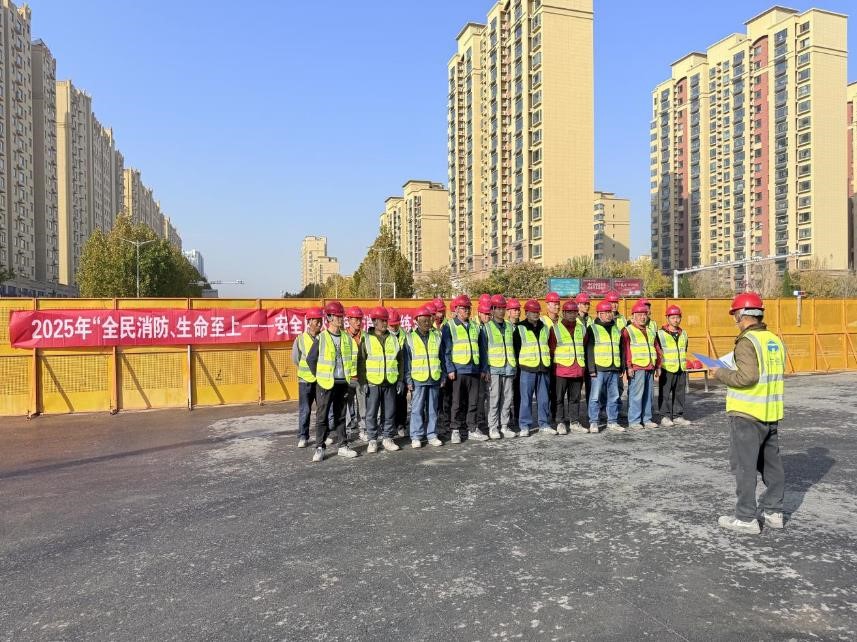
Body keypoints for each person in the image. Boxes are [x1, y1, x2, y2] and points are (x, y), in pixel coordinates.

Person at [710, 293, 786, 535]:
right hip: (770, 412)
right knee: (772, 465)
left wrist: (719, 373)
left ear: (742, 315)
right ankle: (774, 512)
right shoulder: (773, 339)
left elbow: (747, 377)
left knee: (745, 467)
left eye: (735, 314)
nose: (735, 319)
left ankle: (745, 518)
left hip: (747, 414)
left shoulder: (746, 341)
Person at [306, 300, 359, 462]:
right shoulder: (321, 337)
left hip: (342, 383)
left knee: (341, 416)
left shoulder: (347, 338)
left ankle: (343, 446)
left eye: (341, 316)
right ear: (329, 317)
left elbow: (352, 359)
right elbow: (311, 359)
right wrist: (320, 376)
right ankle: (320, 447)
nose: (341, 319)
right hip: (325, 383)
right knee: (322, 417)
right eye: (337, 316)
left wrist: (350, 377)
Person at [441, 295, 488, 443]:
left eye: (468, 308)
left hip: (474, 369)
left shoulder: (475, 326)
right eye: (463, 308)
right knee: (456, 402)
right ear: (456, 310)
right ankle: (455, 430)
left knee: (473, 402)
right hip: (458, 370)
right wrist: (450, 369)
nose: (466, 310)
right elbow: (446, 350)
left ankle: (472, 428)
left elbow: (482, 350)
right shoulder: (449, 326)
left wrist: (483, 368)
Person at [361, 307, 403, 453]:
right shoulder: (366, 339)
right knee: (371, 413)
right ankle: (372, 440)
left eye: (386, 320)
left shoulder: (393, 339)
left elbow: (400, 360)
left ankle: (387, 438)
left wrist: (400, 380)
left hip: (390, 382)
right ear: (374, 322)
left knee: (390, 412)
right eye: (382, 320)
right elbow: (361, 362)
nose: (385, 323)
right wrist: (363, 382)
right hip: (373, 382)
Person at [405, 305, 444, 447]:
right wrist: (408, 380)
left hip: (434, 377)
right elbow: (407, 362)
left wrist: (443, 376)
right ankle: (416, 436)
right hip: (418, 379)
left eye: (429, 320)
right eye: (424, 321)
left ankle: (432, 434)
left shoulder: (437, 336)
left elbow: (441, 358)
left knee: (433, 409)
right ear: (416, 321)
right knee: (417, 409)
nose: (427, 323)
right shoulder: (410, 338)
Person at [514, 299, 554, 436]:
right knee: (526, 399)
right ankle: (525, 426)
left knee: (544, 399)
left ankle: (544, 424)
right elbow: (516, 350)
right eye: (533, 312)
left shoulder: (545, 328)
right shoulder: (519, 328)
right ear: (526, 313)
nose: (536, 314)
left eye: (537, 312)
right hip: (527, 369)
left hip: (543, 368)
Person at [549, 299, 588, 434]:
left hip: (577, 369)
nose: (572, 315)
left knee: (575, 398)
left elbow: (584, 346)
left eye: (574, 312)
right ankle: (560, 422)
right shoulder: (555, 329)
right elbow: (551, 349)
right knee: (558, 398)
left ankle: (574, 422)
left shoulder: (582, 329)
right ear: (563, 313)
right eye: (569, 312)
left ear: (577, 313)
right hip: (561, 370)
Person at [622, 301, 661, 431]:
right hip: (637, 367)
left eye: (644, 314)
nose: (642, 317)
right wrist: (629, 366)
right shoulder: (628, 330)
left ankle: (647, 419)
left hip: (650, 366)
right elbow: (626, 350)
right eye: (639, 315)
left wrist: (658, 365)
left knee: (648, 395)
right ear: (633, 316)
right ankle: (634, 421)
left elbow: (657, 348)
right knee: (636, 394)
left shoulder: (650, 331)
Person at [585, 300, 623, 433]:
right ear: (599, 314)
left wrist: (621, 367)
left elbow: (620, 348)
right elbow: (589, 350)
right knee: (595, 397)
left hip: (614, 367)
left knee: (614, 396)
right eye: (605, 312)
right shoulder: (592, 328)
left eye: (609, 312)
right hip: (599, 369)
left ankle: (612, 421)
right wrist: (591, 369)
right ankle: (593, 422)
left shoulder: (615, 328)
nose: (608, 315)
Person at [483, 294, 517, 440]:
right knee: (494, 398)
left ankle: (504, 425)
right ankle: (493, 427)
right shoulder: (486, 328)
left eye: (503, 308)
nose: (501, 311)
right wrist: (485, 369)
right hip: (494, 368)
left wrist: (514, 366)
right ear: (492, 310)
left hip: (509, 367)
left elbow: (513, 347)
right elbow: (484, 350)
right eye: (498, 308)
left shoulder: (510, 326)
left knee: (508, 398)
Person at [291, 306, 323, 448]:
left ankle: (324, 435)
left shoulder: (324, 338)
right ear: (309, 322)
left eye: (320, 321)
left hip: (320, 380)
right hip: (305, 381)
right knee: (305, 409)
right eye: (316, 321)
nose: (319, 324)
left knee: (322, 410)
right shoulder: (300, 339)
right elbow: (296, 358)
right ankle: (303, 436)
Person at [657, 305, 691, 427]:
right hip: (666, 369)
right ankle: (664, 416)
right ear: (667, 318)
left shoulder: (684, 333)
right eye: (673, 317)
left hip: (680, 368)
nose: (676, 320)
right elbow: (657, 351)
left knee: (680, 394)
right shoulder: (660, 334)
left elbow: (684, 349)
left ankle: (678, 416)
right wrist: (658, 367)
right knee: (664, 394)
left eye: (678, 317)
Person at [345, 306, 367, 442]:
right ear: (349, 320)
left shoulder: (365, 336)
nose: (358, 322)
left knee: (363, 405)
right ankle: (347, 431)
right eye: (355, 319)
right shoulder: (344, 337)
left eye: (360, 319)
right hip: (348, 377)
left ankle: (363, 430)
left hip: (362, 377)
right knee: (347, 407)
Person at [433, 300, 453, 439]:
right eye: (438, 311)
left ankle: (446, 426)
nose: (440, 314)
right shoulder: (429, 326)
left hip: (447, 367)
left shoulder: (449, 326)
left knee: (447, 400)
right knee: (434, 402)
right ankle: (434, 427)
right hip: (433, 369)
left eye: (442, 311)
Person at [387, 308, 409, 437]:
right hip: (389, 374)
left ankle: (401, 424)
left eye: (396, 324)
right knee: (389, 402)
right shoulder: (385, 336)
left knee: (401, 401)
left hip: (402, 373)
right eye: (391, 325)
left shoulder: (405, 335)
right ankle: (389, 426)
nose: (394, 327)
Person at [476, 297, 492, 435]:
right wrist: (484, 369)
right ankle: (480, 421)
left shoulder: (492, 327)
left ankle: (492, 421)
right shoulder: (475, 327)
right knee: (480, 396)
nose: (488, 316)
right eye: (485, 314)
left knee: (492, 395)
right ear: (479, 313)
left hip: (494, 366)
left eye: (489, 314)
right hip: (480, 368)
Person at [506, 297, 522, 429]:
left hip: (521, 363)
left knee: (518, 392)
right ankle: (507, 417)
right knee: (507, 393)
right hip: (508, 364)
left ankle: (517, 416)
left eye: (518, 310)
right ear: (508, 312)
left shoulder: (522, 326)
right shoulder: (505, 327)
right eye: (514, 310)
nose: (517, 312)